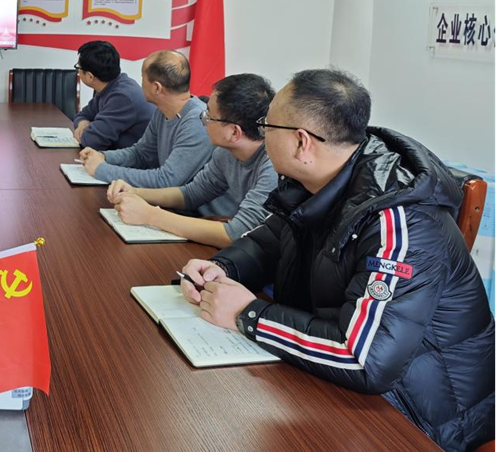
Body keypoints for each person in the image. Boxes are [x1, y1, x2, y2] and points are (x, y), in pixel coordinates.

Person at [178, 69, 496, 451]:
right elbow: (267, 242)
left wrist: (249, 314)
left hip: (421, 415)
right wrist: (222, 268)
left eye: (266, 125)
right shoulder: (318, 179)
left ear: (301, 142)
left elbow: (364, 359)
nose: (260, 134)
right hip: (340, 382)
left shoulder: (399, 221)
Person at [106, 73, 278, 248]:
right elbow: (191, 194)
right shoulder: (225, 152)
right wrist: (135, 192)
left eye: (209, 116)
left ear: (234, 132)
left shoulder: (273, 166)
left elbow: (235, 234)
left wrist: (150, 216)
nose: (203, 120)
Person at [78, 51, 232, 215]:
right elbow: (141, 154)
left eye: (143, 78)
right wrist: (103, 156)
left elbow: (167, 180)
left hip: (200, 217)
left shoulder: (196, 121)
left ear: (156, 87)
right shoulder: (162, 110)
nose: (140, 84)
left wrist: (102, 169)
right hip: (172, 208)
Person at [71, 40, 155, 150]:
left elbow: (93, 141)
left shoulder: (122, 97)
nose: (78, 72)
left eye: (79, 68)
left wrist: (87, 129)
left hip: (136, 159)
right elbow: (82, 115)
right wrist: (83, 123)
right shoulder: (108, 85)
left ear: (90, 77)